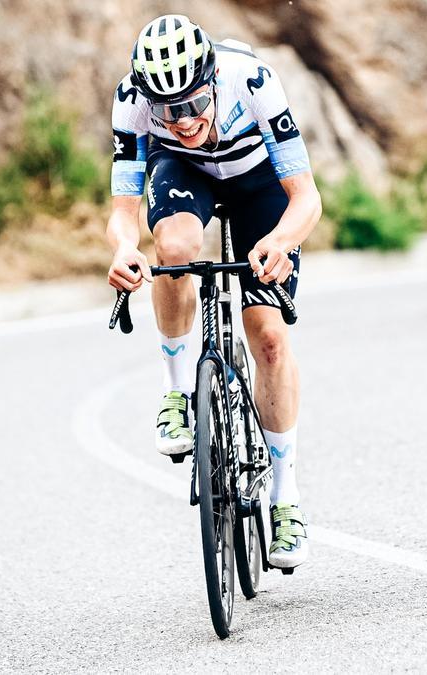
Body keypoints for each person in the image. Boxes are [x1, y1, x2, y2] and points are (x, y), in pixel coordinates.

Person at [105, 15, 320, 569]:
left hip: (259, 183)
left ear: (212, 78)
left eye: (193, 104)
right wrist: (125, 250)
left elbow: (306, 199)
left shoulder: (252, 81)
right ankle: (179, 392)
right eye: (166, 110)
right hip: (187, 175)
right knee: (173, 247)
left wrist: (281, 240)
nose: (181, 120)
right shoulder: (132, 100)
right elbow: (123, 213)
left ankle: (285, 496)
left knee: (268, 336)